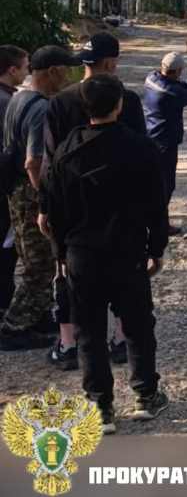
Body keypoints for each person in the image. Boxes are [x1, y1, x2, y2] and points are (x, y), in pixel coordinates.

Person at [44, 75, 169, 435]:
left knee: (89, 331)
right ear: (119, 106)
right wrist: (156, 248)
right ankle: (146, 396)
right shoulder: (141, 148)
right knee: (137, 325)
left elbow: (54, 211)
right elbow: (156, 205)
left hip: (82, 254)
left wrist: (60, 254)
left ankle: (100, 406)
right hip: (127, 251)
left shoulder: (67, 150)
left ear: (85, 107)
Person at [39, 32, 146, 370]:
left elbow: (49, 163)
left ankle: (71, 343)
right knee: (122, 272)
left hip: (73, 206)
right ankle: (119, 339)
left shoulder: (59, 102)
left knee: (68, 271)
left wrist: (45, 207)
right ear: (111, 63)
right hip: (120, 205)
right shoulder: (126, 100)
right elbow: (143, 156)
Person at [0, 46, 79, 350]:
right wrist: (47, 199)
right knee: (41, 264)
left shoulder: (19, 96)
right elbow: (34, 162)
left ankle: (38, 315)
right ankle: (13, 326)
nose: (70, 76)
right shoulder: (41, 108)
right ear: (53, 72)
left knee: (33, 256)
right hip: (31, 193)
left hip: (16, 192)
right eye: (66, 70)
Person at [142, 52, 187, 235]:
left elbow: (178, 86)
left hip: (151, 136)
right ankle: (160, 225)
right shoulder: (171, 93)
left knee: (155, 183)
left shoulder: (152, 79)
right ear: (177, 71)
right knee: (165, 185)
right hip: (165, 143)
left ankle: (153, 220)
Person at [0, 45, 30, 311]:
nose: (27, 71)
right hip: (5, 184)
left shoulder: (8, 97)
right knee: (6, 248)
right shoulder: (7, 102)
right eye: (25, 66)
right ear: (12, 70)